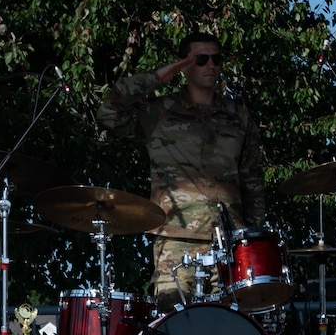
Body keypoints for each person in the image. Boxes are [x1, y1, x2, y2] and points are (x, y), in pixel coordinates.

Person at [97, 32, 266, 311]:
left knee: (231, 329)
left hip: (228, 243)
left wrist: (250, 238)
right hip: (175, 241)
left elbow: (252, 181)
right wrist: (160, 76)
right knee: (174, 329)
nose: (211, 65)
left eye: (216, 59)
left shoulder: (238, 116)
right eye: (201, 59)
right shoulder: (160, 112)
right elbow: (108, 110)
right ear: (185, 65)